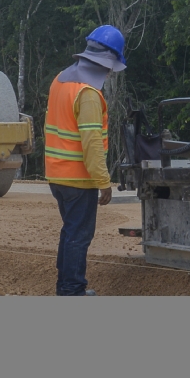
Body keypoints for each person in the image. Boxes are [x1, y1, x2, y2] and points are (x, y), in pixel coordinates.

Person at [43, 26, 123, 296]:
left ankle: (65, 285)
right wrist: (104, 182)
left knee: (70, 232)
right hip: (78, 178)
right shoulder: (88, 93)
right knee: (79, 235)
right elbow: (91, 144)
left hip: (57, 175)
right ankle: (72, 290)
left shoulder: (61, 80)